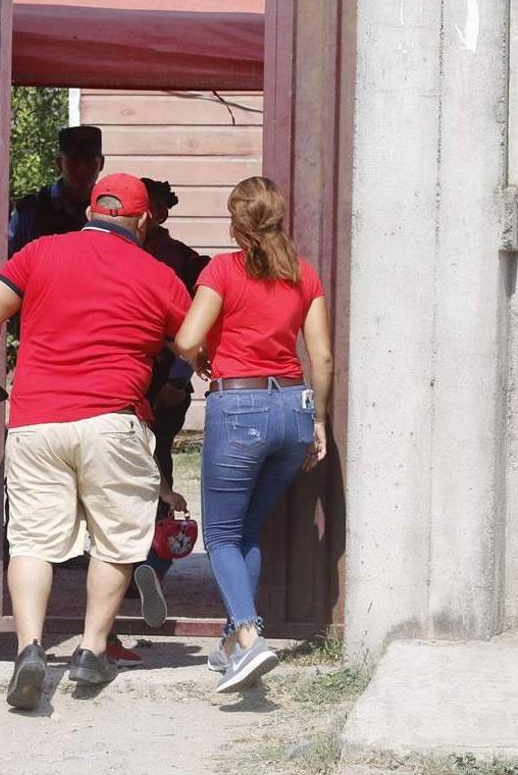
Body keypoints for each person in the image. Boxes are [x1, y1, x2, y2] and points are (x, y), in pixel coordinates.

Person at [0, 173, 192, 711]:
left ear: (92, 208)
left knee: (34, 541)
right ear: (142, 219)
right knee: (115, 540)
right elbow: (190, 342)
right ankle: (91, 650)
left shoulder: (39, 252)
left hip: (37, 420)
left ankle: (30, 650)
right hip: (113, 421)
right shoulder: (159, 275)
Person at [173, 176, 333, 695]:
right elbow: (323, 357)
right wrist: (320, 421)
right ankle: (229, 646)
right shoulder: (304, 274)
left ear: (235, 223)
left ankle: (248, 638)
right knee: (246, 532)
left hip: (239, 404)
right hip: (293, 407)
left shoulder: (223, 269)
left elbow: (187, 339)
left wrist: (200, 355)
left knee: (220, 534)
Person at [120, 180, 210, 641]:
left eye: (155, 208)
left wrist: (179, 376)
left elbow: (196, 317)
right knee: (120, 462)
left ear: (162, 213)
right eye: (143, 207)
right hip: (124, 370)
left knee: (156, 461)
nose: (147, 215)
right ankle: (133, 561)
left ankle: (151, 561)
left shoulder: (179, 259)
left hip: (162, 377)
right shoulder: (116, 251)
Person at [8, 125, 104, 258]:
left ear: (102, 164)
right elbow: (10, 263)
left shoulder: (108, 210)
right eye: (74, 161)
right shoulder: (31, 210)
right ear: (59, 163)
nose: (82, 169)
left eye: (90, 161)